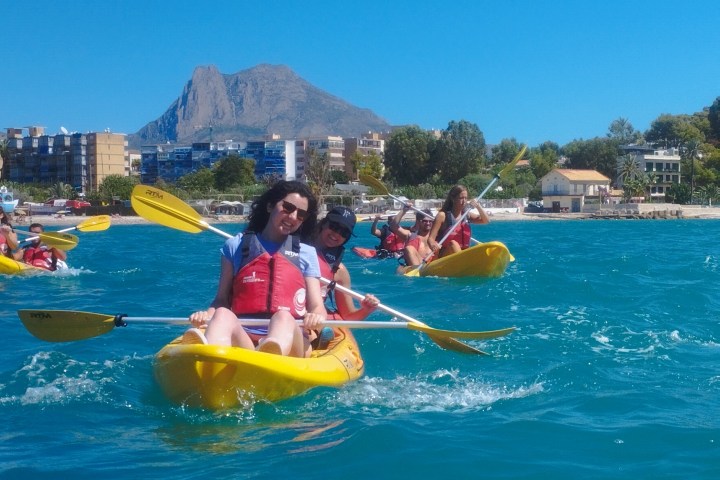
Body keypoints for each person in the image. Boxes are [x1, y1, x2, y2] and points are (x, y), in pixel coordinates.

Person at [187, 181, 326, 358]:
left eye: (301, 215)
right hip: (246, 340)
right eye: (288, 207)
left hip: (292, 341)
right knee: (222, 314)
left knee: (283, 317)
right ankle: (209, 358)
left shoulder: (306, 253)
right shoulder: (235, 246)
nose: (293, 217)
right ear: (270, 206)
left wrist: (316, 317)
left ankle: (271, 352)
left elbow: (317, 306)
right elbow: (221, 300)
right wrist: (206, 315)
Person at [315, 206, 379, 324]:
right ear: (324, 223)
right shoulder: (294, 248)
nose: (336, 234)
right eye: (334, 227)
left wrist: (367, 309)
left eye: (343, 232)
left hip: (314, 319)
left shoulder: (339, 271)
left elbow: (348, 316)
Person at [427, 185, 490, 258]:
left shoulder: (466, 215)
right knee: (453, 244)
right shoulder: (442, 216)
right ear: (453, 199)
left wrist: (478, 206)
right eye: (461, 198)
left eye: (466, 198)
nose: (464, 201)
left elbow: (486, 220)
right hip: (445, 256)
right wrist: (433, 245)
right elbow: (430, 239)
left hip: (463, 253)